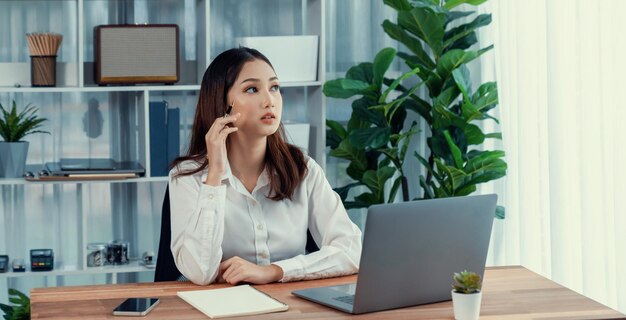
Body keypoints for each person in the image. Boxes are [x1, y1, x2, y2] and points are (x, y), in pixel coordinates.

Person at [168, 47, 362, 285]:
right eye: (252, 89)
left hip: (292, 307)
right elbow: (200, 272)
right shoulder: (187, 177)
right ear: (222, 104)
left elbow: (352, 251)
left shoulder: (303, 169)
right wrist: (215, 176)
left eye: (274, 87)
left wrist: (274, 271)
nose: (269, 100)